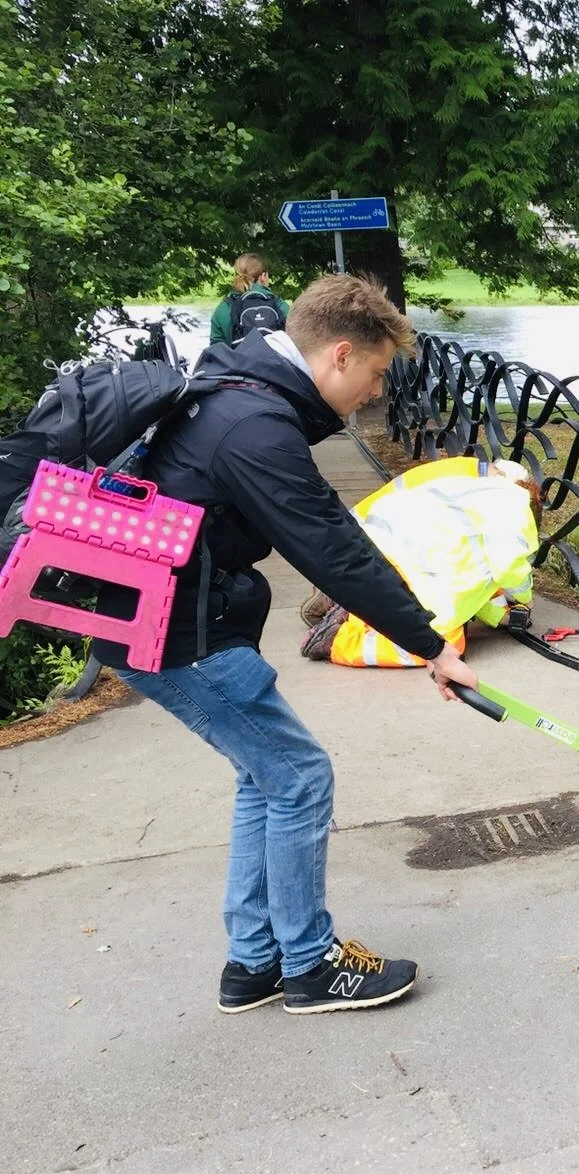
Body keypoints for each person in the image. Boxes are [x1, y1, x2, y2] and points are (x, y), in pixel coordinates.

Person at [96, 273, 479, 1013]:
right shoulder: (255, 426)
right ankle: (308, 965)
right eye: (375, 374)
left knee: (266, 777)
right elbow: (333, 551)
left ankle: (254, 962)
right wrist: (433, 646)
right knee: (300, 777)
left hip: (167, 624)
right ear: (340, 355)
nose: (375, 392)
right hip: (182, 636)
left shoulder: (237, 390)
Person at [299, 455, 542, 666]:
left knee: (405, 608)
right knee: (442, 645)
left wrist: (500, 617)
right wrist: (525, 598)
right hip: (409, 565)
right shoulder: (516, 506)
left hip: (372, 544)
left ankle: (350, 599)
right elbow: (507, 568)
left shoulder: (467, 487)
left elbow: (473, 584)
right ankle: (338, 641)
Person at [209, 253, 291, 344]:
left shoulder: (224, 308)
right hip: (274, 353)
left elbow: (216, 347)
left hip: (237, 353)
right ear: (263, 276)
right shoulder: (280, 306)